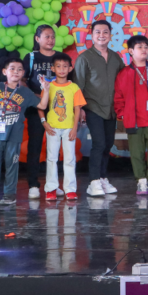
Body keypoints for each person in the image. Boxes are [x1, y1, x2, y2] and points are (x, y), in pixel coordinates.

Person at [0, 58, 50, 205]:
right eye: (12, 68)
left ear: (23, 73)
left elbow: (42, 104)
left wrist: (46, 90)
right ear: (4, 72)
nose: (16, 71)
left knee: (12, 164)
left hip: (14, 135)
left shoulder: (25, 92)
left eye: (19, 69)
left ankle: (9, 194)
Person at [74, 20, 124, 196]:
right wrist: (79, 109)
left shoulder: (115, 57)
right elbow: (78, 86)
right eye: (97, 32)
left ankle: (103, 179)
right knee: (99, 143)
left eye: (105, 32)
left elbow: (123, 80)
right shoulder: (84, 58)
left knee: (108, 144)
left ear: (111, 35)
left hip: (111, 108)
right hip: (92, 107)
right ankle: (93, 181)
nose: (101, 35)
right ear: (92, 35)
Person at [115, 35, 148, 195]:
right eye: (139, 47)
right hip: (134, 120)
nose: (144, 50)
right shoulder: (124, 73)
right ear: (130, 51)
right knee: (136, 153)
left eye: (146, 47)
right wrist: (123, 114)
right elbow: (118, 97)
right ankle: (141, 181)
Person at [22, 25, 62, 199]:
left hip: (57, 108)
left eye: (53, 37)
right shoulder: (30, 57)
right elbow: (22, 81)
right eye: (46, 37)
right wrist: (36, 97)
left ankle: (53, 184)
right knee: (35, 145)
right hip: (35, 108)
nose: (51, 40)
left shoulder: (60, 57)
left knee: (56, 147)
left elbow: (68, 81)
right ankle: (33, 184)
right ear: (37, 39)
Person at [41, 54, 86, 201]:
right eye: (58, 66)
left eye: (65, 66)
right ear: (52, 68)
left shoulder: (74, 87)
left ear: (70, 68)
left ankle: (70, 189)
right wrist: (44, 123)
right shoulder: (49, 86)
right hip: (52, 128)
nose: (61, 69)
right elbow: (41, 106)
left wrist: (74, 129)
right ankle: (51, 189)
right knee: (52, 158)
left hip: (68, 128)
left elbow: (77, 109)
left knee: (69, 159)